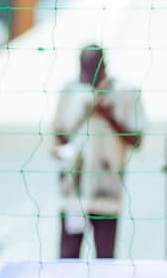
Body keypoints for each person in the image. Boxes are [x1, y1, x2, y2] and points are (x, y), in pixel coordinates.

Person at [51, 45, 147, 259]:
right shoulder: (70, 90)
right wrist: (83, 117)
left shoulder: (125, 92)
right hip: (73, 194)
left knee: (105, 261)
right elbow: (57, 139)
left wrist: (108, 117)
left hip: (107, 193)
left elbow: (138, 140)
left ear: (104, 66)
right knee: (67, 259)